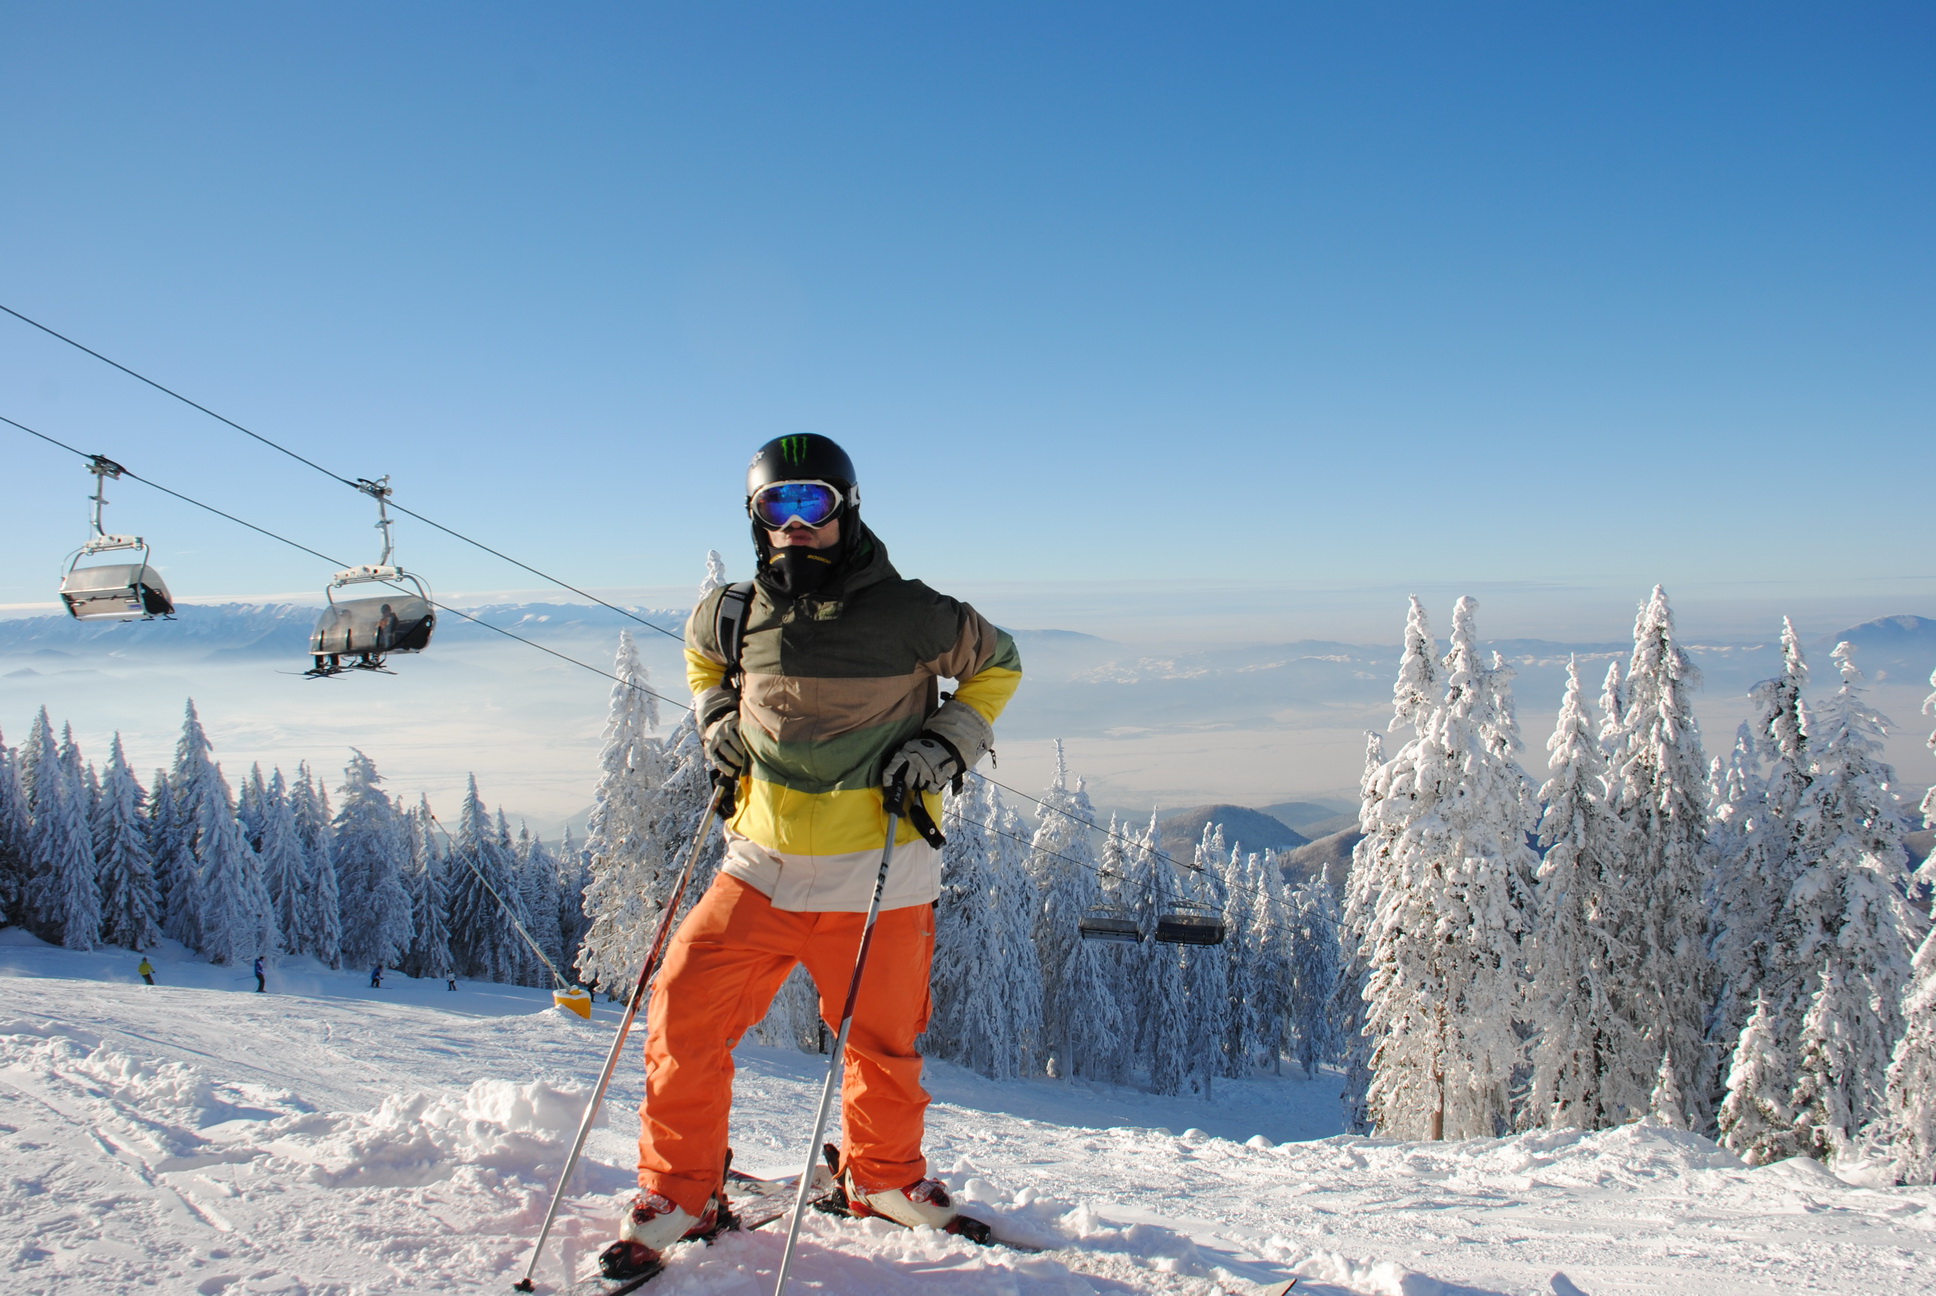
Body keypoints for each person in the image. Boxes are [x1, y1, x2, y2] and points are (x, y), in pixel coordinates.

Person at [607, 434, 1022, 1275]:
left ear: (848, 508)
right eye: (777, 506)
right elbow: (700, 660)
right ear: (758, 518)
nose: (796, 524)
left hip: (880, 869)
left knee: (883, 1043)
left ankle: (884, 1180)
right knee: (684, 1007)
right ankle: (682, 1191)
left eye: (814, 504)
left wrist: (947, 744)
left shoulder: (911, 612)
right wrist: (716, 717)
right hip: (759, 863)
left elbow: (998, 664)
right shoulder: (732, 611)